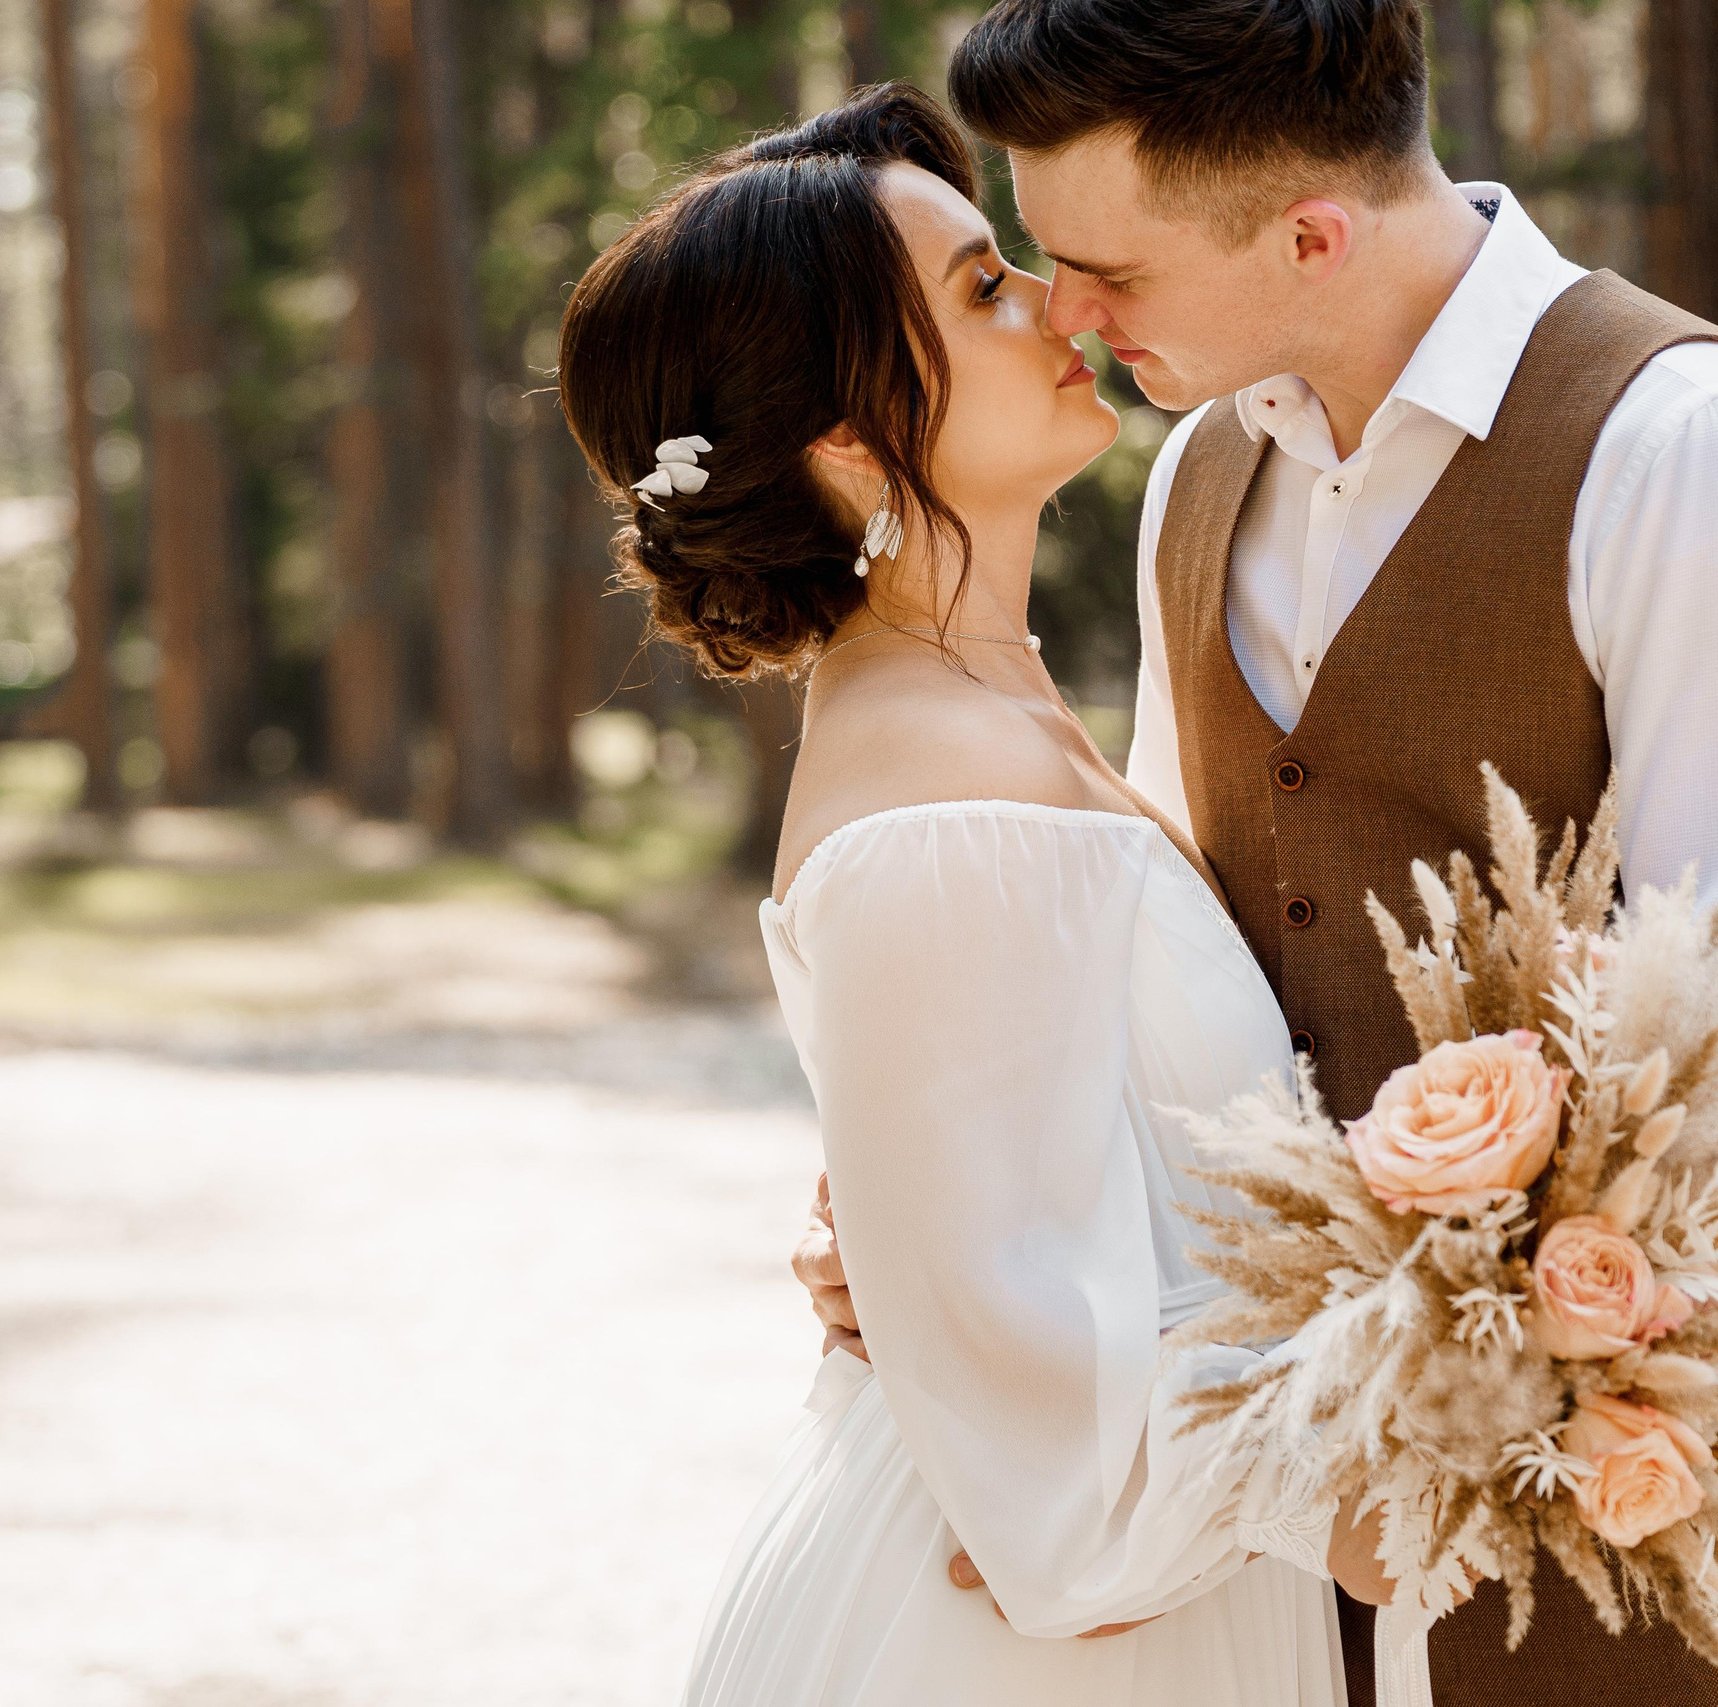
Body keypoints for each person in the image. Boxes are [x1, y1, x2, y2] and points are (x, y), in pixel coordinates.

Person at [795, 4, 1718, 1706]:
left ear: (1311, 233)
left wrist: (1374, 1430)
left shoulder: (1687, 449)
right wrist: (947, 1225)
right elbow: (1168, 975)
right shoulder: (1199, 481)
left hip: (1624, 1531)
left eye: (1113, 274)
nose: (1067, 317)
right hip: (1277, 1595)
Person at [558, 86, 1387, 1707]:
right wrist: (1448, 1442)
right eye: (984, 290)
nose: (1061, 303)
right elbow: (1066, 1497)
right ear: (852, 442)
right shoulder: (942, 804)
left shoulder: (990, 721)